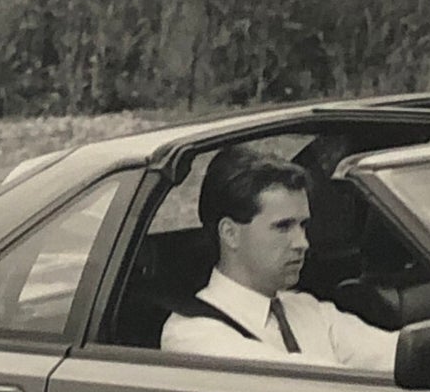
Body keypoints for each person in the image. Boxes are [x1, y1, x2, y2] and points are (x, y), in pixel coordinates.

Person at [160, 144, 398, 373]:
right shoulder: (190, 334)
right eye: (283, 227)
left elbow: (398, 356)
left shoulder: (309, 310)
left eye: (303, 225)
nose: (302, 243)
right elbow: (297, 382)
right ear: (230, 233)